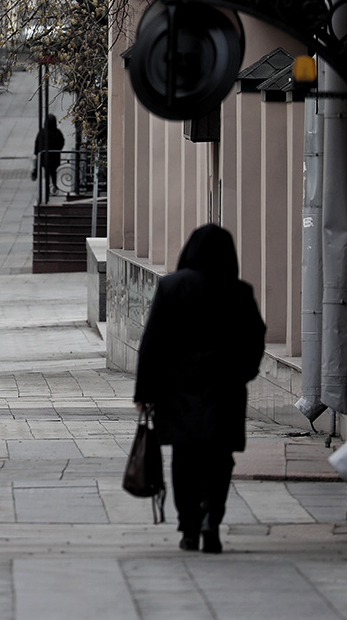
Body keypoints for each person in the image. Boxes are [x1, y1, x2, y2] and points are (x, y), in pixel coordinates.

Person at [134, 224, 265, 554]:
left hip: (178, 392)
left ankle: (189, 526)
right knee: (220, 458)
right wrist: (243, 374)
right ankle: (212, 520)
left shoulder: (172, 287)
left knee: (184, 458)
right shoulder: (239, 291)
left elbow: (153, 342)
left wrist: (145, 393)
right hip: (225, 390)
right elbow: (255, 339)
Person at [32, 113, 65, 199]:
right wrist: (58, 150)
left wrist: (36, 153)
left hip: (44, 157)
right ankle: (54, 185)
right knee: (53, 172)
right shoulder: (57, 132)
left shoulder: (42, 132)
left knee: (47, 173)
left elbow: (37, 143)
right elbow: (61, 142)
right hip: (54, 156)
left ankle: (48, 188)